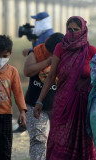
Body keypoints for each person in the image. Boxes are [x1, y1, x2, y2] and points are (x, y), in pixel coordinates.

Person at [34, 16, 96, 160]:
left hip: (83, 105)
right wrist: (39, 101)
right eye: (70, 29)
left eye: (76, 29)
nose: (73, 32)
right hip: (62, 103)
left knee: (84, 142)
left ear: (84, 30)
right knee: (59, 140)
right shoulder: (60, 48)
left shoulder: (91, 51)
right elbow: (51, 76)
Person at [24, 32, 64, 160]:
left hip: (58, 107)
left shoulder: (68, 57)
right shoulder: (36, 53)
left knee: (58, 142)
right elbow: (27, 71)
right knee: (39, 140)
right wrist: (47, 61)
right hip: (34, 105)